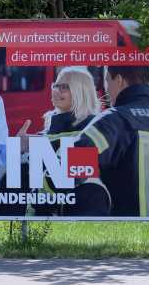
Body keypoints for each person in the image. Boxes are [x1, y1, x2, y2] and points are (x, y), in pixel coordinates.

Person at [73, 65, 149, 217]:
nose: (106, 90)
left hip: (128, 227)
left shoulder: (113, 120)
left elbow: (76, 160)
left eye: (107, 80)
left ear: (119, 80)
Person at [34, 67, 109, 216]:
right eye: (56, 85)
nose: (57, 91)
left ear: (81, 92)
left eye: (65, 87)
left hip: (82, 214)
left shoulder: (91, 129)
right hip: (45, 215)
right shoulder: (51, 127)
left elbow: (70, 179)